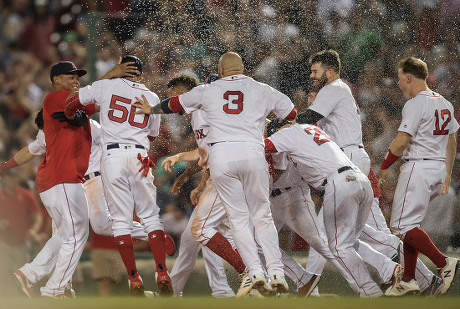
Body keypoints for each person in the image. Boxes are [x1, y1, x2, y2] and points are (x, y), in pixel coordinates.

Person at [134, 52, 297, 295]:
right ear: (242, 69)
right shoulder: (262, 88)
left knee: (237, 220)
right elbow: (292, 114)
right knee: (261, 216)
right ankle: (276, 273)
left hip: (222, 158)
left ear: (220, 70)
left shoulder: (208, 90)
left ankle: (253, 273)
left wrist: (151, 108)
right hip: (253, 153)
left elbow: (174, 104)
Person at [64, 55, 172, 296]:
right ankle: (162, 272)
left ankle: (134, 277)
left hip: (111, 157)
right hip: (138, 155)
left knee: (120, 220)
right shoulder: (152, 97)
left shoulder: (106, 85)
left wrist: (72, 115)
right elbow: (152, 135)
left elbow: (71, 103)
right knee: (150, 216)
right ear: (141, 75)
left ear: (120, 70)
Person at [265, 121, 384, 297]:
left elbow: (277, 167)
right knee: (260, 243)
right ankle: (302, 279)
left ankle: (375, 278)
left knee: (326, 243)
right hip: (274, 199)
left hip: (294, 197)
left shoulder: (287, 136)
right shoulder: (304, 133)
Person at [377, 57, 460, 296]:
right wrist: (446, 175)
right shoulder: (444, 102)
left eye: (401, 79)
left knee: (401, 226)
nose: (400, 84)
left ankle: (443, 262)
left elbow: (402, 141)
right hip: (436, 169)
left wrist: (384, 166)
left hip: (418, 168)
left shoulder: (415, 104)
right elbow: (451, 141)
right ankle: (409, 279)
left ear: (409, 78)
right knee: (410, 225)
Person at [161, 74, 236, 298]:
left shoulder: (206, 109)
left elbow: (213, 151)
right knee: (191, 237)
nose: (174, 104)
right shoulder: (197, 114)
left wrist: (192, 172)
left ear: (186, 92)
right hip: (219, 177)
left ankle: (228, 288)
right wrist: (187, 177)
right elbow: (206, 154)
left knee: (207, 232)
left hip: (227, 179)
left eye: (175, 96)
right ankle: (173, 292)